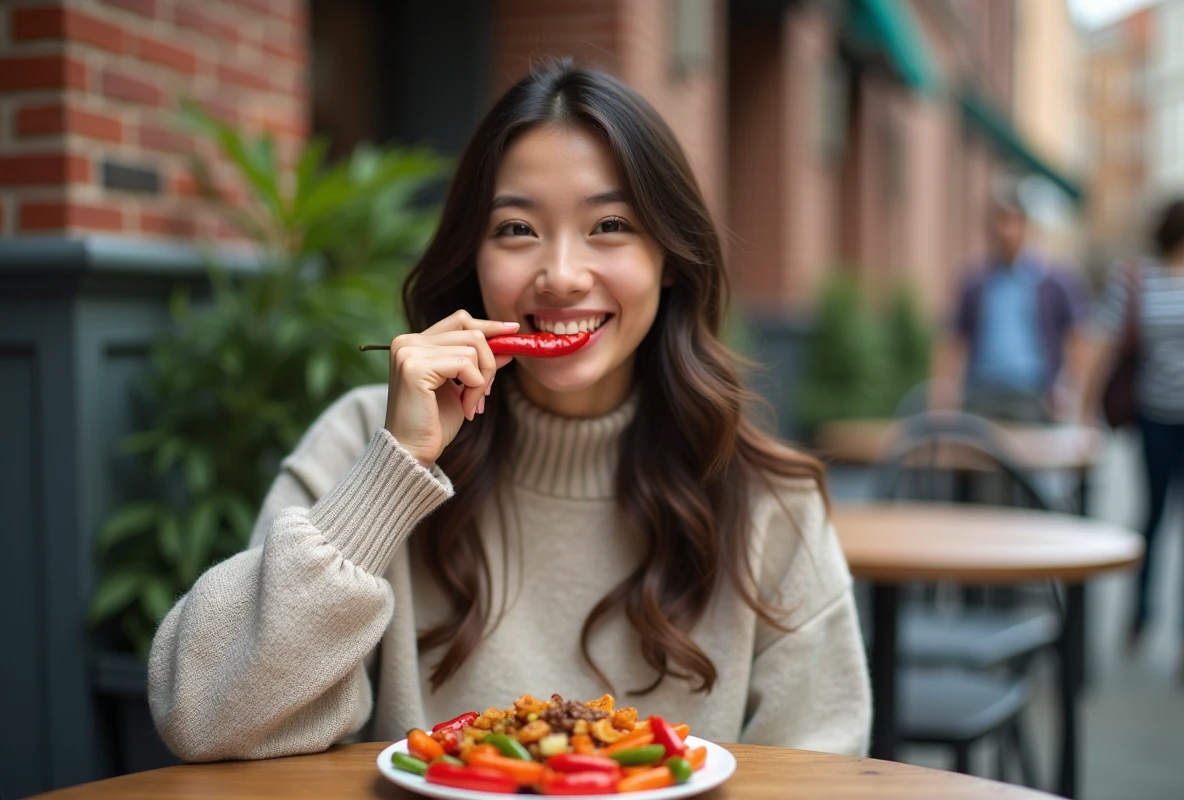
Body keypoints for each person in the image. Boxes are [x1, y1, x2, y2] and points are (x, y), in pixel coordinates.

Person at [147, 60, 871, 761]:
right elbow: (201, 713)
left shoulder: (768, 500)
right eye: (517, 229)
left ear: (670, 258)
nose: (560, 274)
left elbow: (822, 770)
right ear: (473, 258)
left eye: (610, 225)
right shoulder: (360, 443)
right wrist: (391, 478)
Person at [1087, 199, 1184, 680]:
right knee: (1152, 516)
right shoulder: (1139, 279)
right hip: (1155, 418)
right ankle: (1141, 615)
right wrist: (1085, 410)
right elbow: (1104, 340)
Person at [933, 192, 1088, 422]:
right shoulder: (974, 281)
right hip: (981, 392)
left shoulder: (1053, 281)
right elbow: (953, 340)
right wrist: (945, 392)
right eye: (1001, 222)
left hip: (1033, 393)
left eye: (1014, 222)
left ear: (1026, 226)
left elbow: (1077, 337)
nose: (1008, 231)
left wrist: (1070, 388)